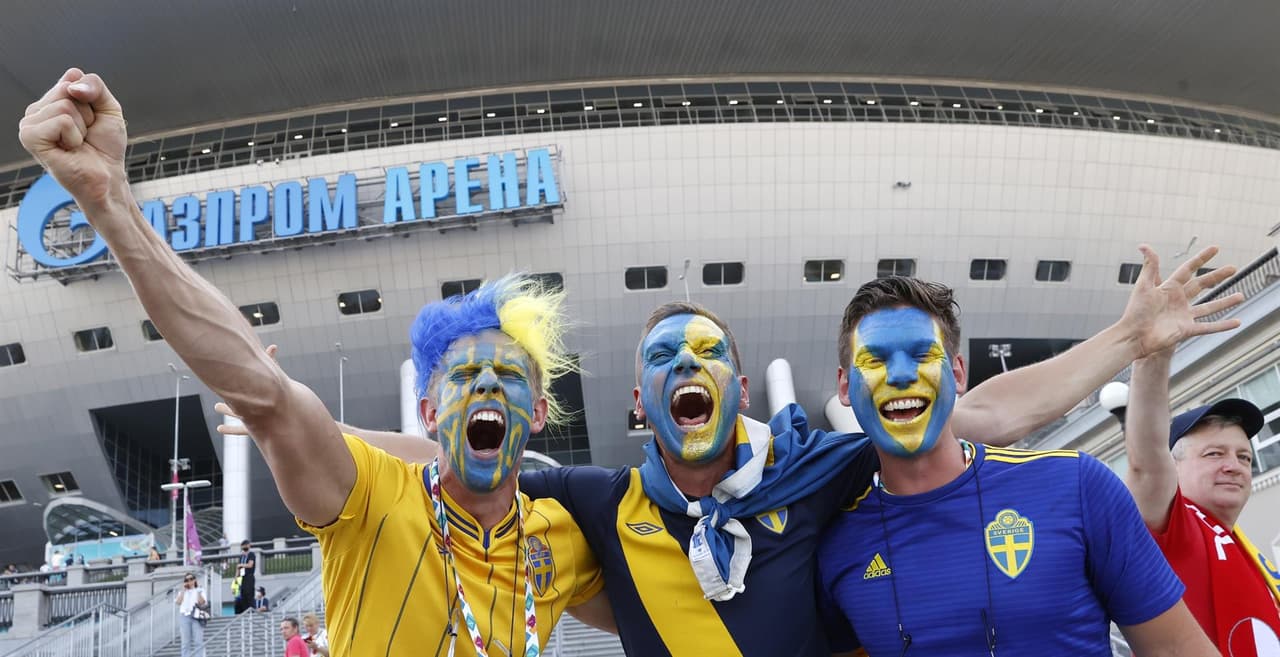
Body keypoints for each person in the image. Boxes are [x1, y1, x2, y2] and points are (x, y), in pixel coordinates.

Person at [280, 244, 1237, 656]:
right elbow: (453, 453)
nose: (685, 366)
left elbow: (978, 415)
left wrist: (1128, 342)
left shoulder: (815, 466)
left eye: (708, 353)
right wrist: (307, 420)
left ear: (740, 389)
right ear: (640, 403)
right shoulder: (598, 498)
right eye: (664, 358)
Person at [18, 68, 606, 657]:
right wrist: (111, 201)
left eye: (508, 376)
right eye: (462, 376)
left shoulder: (557, 539)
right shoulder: (375, 493)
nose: (486, 383)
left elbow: (665, 607)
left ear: (538, 413)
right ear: (428, 409)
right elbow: (267, 394)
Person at [817, 259, 1237, 656]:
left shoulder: (1073, 486)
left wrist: (1133, 339)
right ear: (844, 385)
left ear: (958, 373)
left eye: (924, 355)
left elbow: (1174, 648)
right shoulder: (835, 545)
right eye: (875, 360)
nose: (902, 374)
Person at [1124, 343, 1280, 655]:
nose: (1233, 466)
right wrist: (1154, 355)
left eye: (1244, 457)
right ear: (1172, 468)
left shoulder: (1245, 550)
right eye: (1214, 454)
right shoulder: (1176, 524)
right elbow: (1146, 463)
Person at [175, 572, 207, 657]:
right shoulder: (182, 591)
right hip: (184, 616)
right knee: (185, 642)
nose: (189, 581)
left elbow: (202, 602)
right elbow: (178, 602)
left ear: (195, 580)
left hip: (196, 616)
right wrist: (183, 590)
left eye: (191, 579)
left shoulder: (200, 589)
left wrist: (197, 591)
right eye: (187, 580)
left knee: (198, 641)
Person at [234, 540, 257, 614]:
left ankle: (252, 611)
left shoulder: (251, 554)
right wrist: (236, 578)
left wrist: (241, 565)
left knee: (249, 594)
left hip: (249, 576)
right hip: (242, 577)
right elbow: (238, 568)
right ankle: (245, 611)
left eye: (246, 545)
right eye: (243, 545)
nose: (244, 547)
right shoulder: (241, 556)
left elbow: (250, 565)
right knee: (243, 595)